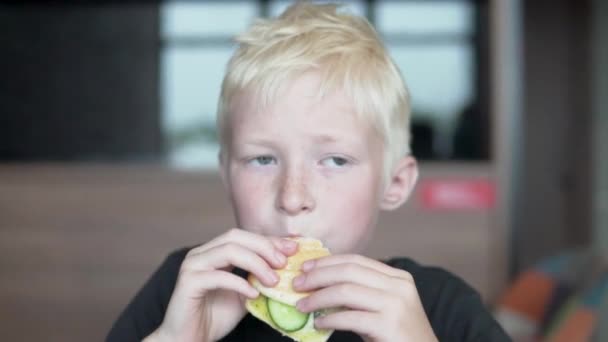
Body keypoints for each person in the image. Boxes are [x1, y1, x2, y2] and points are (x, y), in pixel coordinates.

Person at [107, 2, 509, 341]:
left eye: (335, 160)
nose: (293, 197)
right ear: (227, 176)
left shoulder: (440, 306)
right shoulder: (188, 287)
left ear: (395, 182)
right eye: (262, 160)